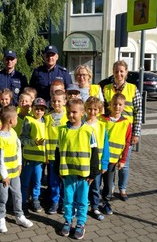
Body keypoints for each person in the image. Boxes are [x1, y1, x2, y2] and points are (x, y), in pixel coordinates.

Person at [55, 99, 99, 240]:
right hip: (68, 174)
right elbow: (57, 152)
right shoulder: (62, 131)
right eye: (69, 112)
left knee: (82, 201)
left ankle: (80, 224)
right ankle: (68, 221)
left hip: (83, 175)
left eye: (74, 112)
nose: (71, 115)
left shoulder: (88, 131)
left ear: (82, 113)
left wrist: (93, 173)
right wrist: (58, 170)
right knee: (68, 200)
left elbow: (95, 153)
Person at [103, 60, 142, 201]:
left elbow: (138, 112)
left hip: (127, 132)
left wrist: (136, 133)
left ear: (126, 72)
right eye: (116, 71)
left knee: (124, 164)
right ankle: (110, 188)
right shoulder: (106, 89)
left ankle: (123, 189)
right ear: (113, 72)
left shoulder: (133, 89)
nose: (119, 74)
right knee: (111, 163)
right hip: (111, 132)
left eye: (121, 71)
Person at [0, 106, 33, 233]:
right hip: (4, 176)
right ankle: (1, 217)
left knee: (17, 195)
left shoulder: (14, 133)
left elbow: (18, 150)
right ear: (10, 121)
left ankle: (19, 216)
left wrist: (20, 164)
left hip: (15, 172)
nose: (17, 119)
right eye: (16, 118)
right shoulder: (0, 138)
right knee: (2, 197)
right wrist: (4, 176)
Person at [100, 93, 132, 215]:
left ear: (124, 107)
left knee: (108, 183)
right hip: (99, 158)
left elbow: (127, 142)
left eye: (120, 105)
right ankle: (94, 202)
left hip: (113, 160)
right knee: (96, 182)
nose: (117, 107)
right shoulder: (101, 119)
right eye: (114, 104)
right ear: (110, 105)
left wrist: (123, 160)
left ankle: (106, 202)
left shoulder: (126, 123)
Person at [20, 98, 47, 213]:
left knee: (37, 181)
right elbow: (22, 138)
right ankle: (23, 201)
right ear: (32, 109)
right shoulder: (28, 120)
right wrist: (33, 143)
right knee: (25, 181)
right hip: (28, 158)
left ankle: (35, 199)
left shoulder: (46, 121)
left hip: (40, 158)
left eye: (41, 109)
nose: (39, 111)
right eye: (37, 109)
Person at [84, 96, 109, 221]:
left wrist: (104, 164)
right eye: (89, 109)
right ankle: (82, 206)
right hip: (83, 162)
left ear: (99, 110)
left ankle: (95, 207)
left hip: (97, 164)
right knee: (83, 186)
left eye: (95, 109)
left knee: (95, 187)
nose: (92, 112)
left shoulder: (102, 126)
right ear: (85, 109)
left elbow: (105, 147)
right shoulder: (81, 124)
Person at [44, 90, 68, 214]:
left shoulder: (68, 117)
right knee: (53, 181)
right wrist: (46, 155)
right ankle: (54, 202)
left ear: (64, 102)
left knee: (64, 180)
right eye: (54, 101)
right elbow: (45, 137)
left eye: (59, 101)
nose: (56, 103)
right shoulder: (48, 117)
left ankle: (64, 202)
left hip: (64, 157)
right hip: (52, 156)